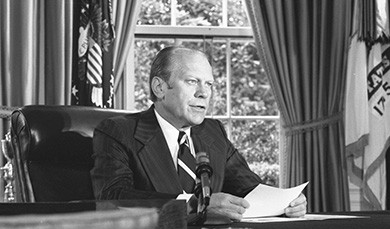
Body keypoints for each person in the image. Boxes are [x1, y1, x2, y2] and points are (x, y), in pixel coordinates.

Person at [91, 46, 307, 220]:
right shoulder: (118, 131)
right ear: (159, 88)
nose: (204, 93)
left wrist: (285, 202)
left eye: (209, 84)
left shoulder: (212, 132)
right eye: (192, 81)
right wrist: (196, 206)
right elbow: (113, 199)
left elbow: (248, 189)